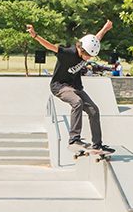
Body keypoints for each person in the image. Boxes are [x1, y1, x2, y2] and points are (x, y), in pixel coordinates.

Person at [26, 20, 115, 154]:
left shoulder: (87, 46)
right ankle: (74, 140)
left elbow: (95, 39)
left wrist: (105, 28)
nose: (88, 58)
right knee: (77, 102)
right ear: (81, 48)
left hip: (76, 87)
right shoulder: (68, 53)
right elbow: (50, 46)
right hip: (60, 86)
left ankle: (97, 145)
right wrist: (35, 36)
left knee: (94, 110)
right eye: (87, 55)